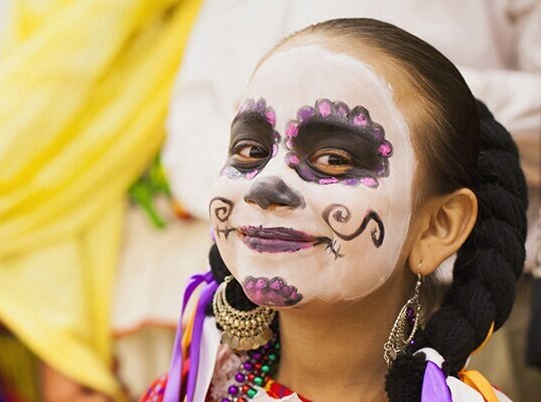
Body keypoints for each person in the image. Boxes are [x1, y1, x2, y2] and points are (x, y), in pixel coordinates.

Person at [140, 18, 528, 401]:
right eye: (251, 151)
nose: (264, 187)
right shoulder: (186, 392)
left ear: (436, 227)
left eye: (333, 158)